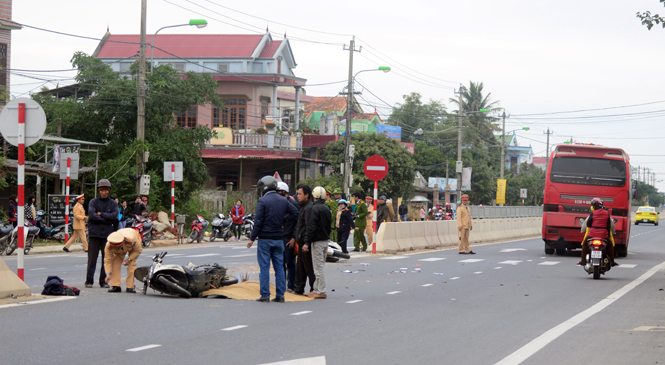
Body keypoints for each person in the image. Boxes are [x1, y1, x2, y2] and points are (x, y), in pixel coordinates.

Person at [247, 176, 299, 303]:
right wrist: (283, 221)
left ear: (264, 187)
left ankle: (265, 295)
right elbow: (296, 213)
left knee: (264, 267)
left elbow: (258, 221)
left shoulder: (263, 201)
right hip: (279, 239)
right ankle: (280, 295)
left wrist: (252, 238)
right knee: (279, 268)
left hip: (264, 239)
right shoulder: (283, 200)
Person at [85, 179, 118, 288]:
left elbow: (114, 217)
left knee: (106, 259)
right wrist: (106, 219)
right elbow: (92, 215)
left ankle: (103, 281)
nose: (104, 192)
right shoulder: (93, 202)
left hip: (107, 235)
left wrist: (101, 214)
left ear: (109, 191)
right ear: (99, 191)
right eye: (102, 190)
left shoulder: (113, 203)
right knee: (92, 259)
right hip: (94, 234)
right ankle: (89, 281)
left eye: (106, 190)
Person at [303, 186, 332, 299]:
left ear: (313, 196)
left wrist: (306, 242)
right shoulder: (326, 209)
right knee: (319, 266)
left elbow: (311, 227)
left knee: (318, 268)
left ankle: (321, 291)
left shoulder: (314, 209)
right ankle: (315, 289)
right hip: (325, 241)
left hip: (317, 242)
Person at [578, 198, 617, 267]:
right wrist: (608, 235)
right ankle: (612, 261)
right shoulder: (606, 213)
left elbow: (588, 224)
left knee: (584, 244)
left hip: (592, 235)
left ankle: (583, 261)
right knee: (610, 245)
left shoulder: (593, 213)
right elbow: (608, 226)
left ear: (594, 205)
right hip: (603, 235)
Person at [103, 228, 143, 293]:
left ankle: (130, 287)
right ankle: (115, 286)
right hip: (121, 246)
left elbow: (138, 250)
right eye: (114, 248)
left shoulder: (132, 239)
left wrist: (129, 259)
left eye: (117, 247)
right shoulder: (108, 246)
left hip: (132, 246)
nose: (116, 249)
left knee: (132, 264)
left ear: (122, 243)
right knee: (115, 262)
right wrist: (108, 274)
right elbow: (107, 260)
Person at [276, 182, 299, 293]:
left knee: (290, 262)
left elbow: (297, 223)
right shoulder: (278, 203)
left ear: (284, 191)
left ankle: (291, 285)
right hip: (279, 237)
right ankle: (282, 285)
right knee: (280, 263)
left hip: (289, 237)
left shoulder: (293, 204)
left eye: (278, 191)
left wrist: (294, 238)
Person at [294, 184, 315, 296]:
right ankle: (298, 289)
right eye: (297, 193)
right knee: (300, 268)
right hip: (301, 242)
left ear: (307, 195)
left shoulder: (309, 208)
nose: (298, 196)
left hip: (306, 243)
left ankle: (313, 289)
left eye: (300, 194)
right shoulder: (303, 206)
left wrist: (307, 242)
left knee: (308, 267)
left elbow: (308, 227)